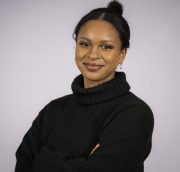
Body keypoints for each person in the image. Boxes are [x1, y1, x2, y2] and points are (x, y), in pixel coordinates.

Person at [15, 1, 154, 172]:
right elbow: (22, 165)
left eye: (106, 47)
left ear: (121, 55)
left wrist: (43, 161)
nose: (93, 54)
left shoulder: (135, 114)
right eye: (85, 44)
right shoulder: (52, 110)